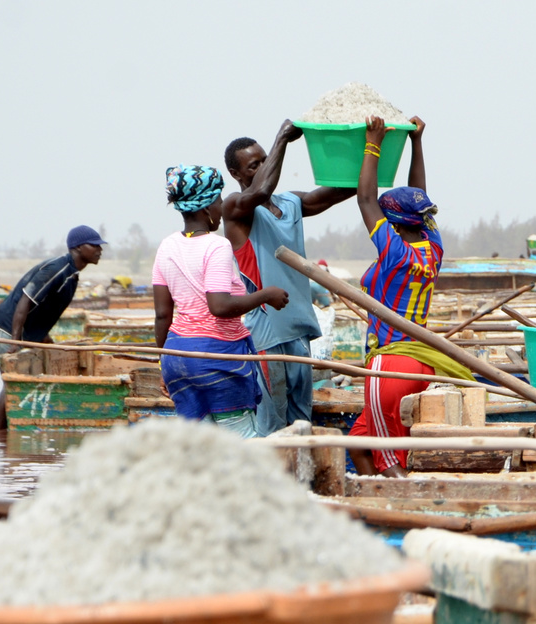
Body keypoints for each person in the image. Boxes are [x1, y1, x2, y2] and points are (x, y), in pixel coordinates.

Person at [347, 115, 471, 477]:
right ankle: (376, 508)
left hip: (391, 363)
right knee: (357, 442)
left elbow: (365, 198)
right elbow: (421, 198)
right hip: (420, 363)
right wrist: (416, 143)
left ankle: (407, 511)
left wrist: (374, 143)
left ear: (396, 226)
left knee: (392, 463)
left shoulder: (395, 253)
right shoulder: (432, 247)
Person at [221, 120, 356, 435]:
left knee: (301, 424)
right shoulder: (235, 209)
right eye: (254, 165)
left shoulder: (290, 203)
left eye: (265, 160)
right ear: (237, 175)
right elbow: (262, 190)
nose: (264, 168)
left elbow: (337, 192)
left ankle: (301, 484)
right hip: (267, 337)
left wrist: (369, 152)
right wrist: (282, 138)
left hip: (298, 332)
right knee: (273, 430)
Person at [151, 166, 286, 437]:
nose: (221, 206)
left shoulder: (167, 246)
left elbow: (162, 316)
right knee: (242, 443)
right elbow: (220, 306)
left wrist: (164, 363)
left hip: (178, 357)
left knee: (200, 447)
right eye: (218, 201)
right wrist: (266, 295)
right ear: (205, 210)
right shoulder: (216, 246)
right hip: (216, 356)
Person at [0, 225, 105, 431]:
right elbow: (25, 301)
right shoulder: (56, 269)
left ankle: (7, 434)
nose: (99, 249)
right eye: (94, 245)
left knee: (17, 384)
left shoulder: (72, 274)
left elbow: (44, 310)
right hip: (6, 328)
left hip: (24, 331)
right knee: (12, 384)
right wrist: (14, 341)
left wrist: (45, 338)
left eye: (99, 245)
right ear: (77, 247)